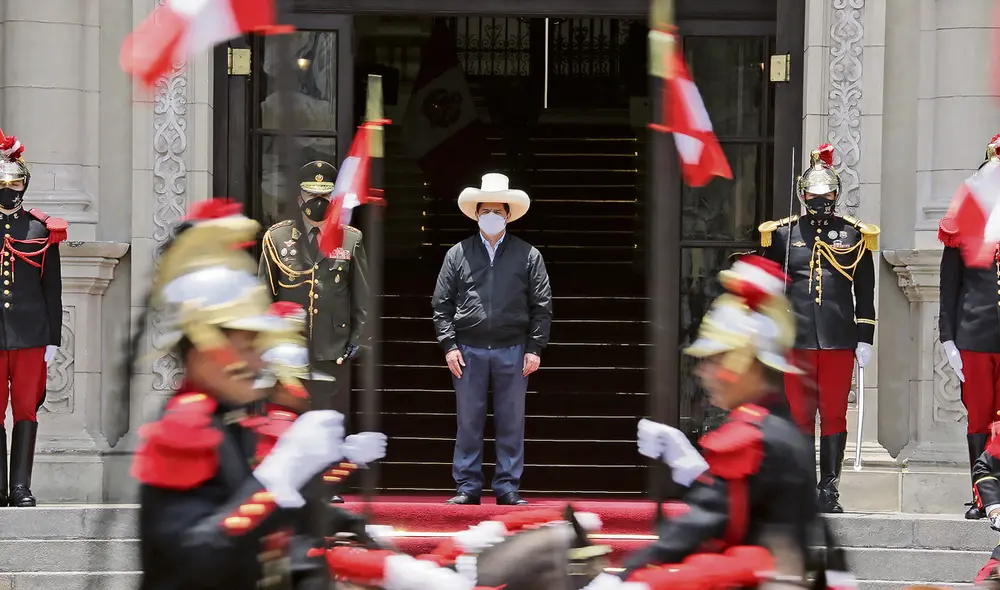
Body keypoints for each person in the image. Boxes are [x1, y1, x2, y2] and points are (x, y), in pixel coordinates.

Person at [129, 199, 385, 589]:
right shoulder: (185, 431)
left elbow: (288, 535)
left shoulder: (232, 420)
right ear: (204, 347)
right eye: (247, 344)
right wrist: (276, 481)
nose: (258, 359)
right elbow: (189, 562)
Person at [606, 255, 849, 586]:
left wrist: (625, 578)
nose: (704, 373)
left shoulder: (750, 437)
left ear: (746, 362)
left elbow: (703, 524)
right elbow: (738, 504)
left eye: (716, 358)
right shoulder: (779, 430)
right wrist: (696, 472)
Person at [758, 143, 879, 514]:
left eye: (826, 195)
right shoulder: (781, 235)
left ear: (836, 195)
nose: (820, 201)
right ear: (803, 195)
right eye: (814, 195)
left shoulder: (855, 235)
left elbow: (865, 293)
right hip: (795, 341)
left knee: (834, 414)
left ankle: (829, 490)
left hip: (839, 341)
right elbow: (767, 288)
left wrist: (865, 338)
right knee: (799, 416)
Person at [431, 173, 553, 506]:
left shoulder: (528, 256)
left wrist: (535, 348)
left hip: (513, 350)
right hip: (468, 350)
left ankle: (507, 486)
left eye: (498, 211)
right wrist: (449, 345)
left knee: (511, 421)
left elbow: (541, 307)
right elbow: (441, 304)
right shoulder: (458, 254)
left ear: (509, 215)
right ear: (476, 214)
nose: (492, 217)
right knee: (468, 420)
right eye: (486, 211)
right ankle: (468, 486)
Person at [258, 160, 370, 503]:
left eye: (324, 195)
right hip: (288, 350)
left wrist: (358, 340)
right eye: (311, 194)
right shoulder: (276, 238)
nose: (317, 201)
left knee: (326, 419)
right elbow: (264, 294)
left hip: (331, 345)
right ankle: (289, 482)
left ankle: (325, 486)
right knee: (288, 416)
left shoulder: (348, 239)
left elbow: (360, 296)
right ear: (299, 196)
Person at [0, 129, 67, 507]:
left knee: (26, 409)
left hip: (30, 333)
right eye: (2, 182)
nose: (8, 189)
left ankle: (20, 487)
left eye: (14, 182)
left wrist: (53, 339)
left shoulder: (42, 228)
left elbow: (51, 290)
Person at [939, 134, 1000, 520]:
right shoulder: (964, 223)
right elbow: (949, 288)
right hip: (974, 336)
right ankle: (982, 497)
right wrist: (948, 338)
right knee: (979, 419)